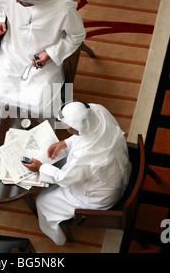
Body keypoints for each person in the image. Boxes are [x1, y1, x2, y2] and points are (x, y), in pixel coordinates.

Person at [22, 100, 132, 245]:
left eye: (67, 126)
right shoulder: (97, 110)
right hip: (115, 169)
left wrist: (40, 167)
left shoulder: (85, 156)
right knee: (59, 166)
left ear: (76, 129)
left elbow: (65, 179)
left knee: (42, 199)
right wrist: (65, 143)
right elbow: (89, 133)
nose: (64, 126)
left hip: (98, 196)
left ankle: (58, 237)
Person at [0, 0, 86, 117]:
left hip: (45, 61)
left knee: (41, 108)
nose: (16, 1)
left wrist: (50, 53)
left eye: (21, 1)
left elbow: (77, 35)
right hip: (12, 51)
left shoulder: (63, 9)